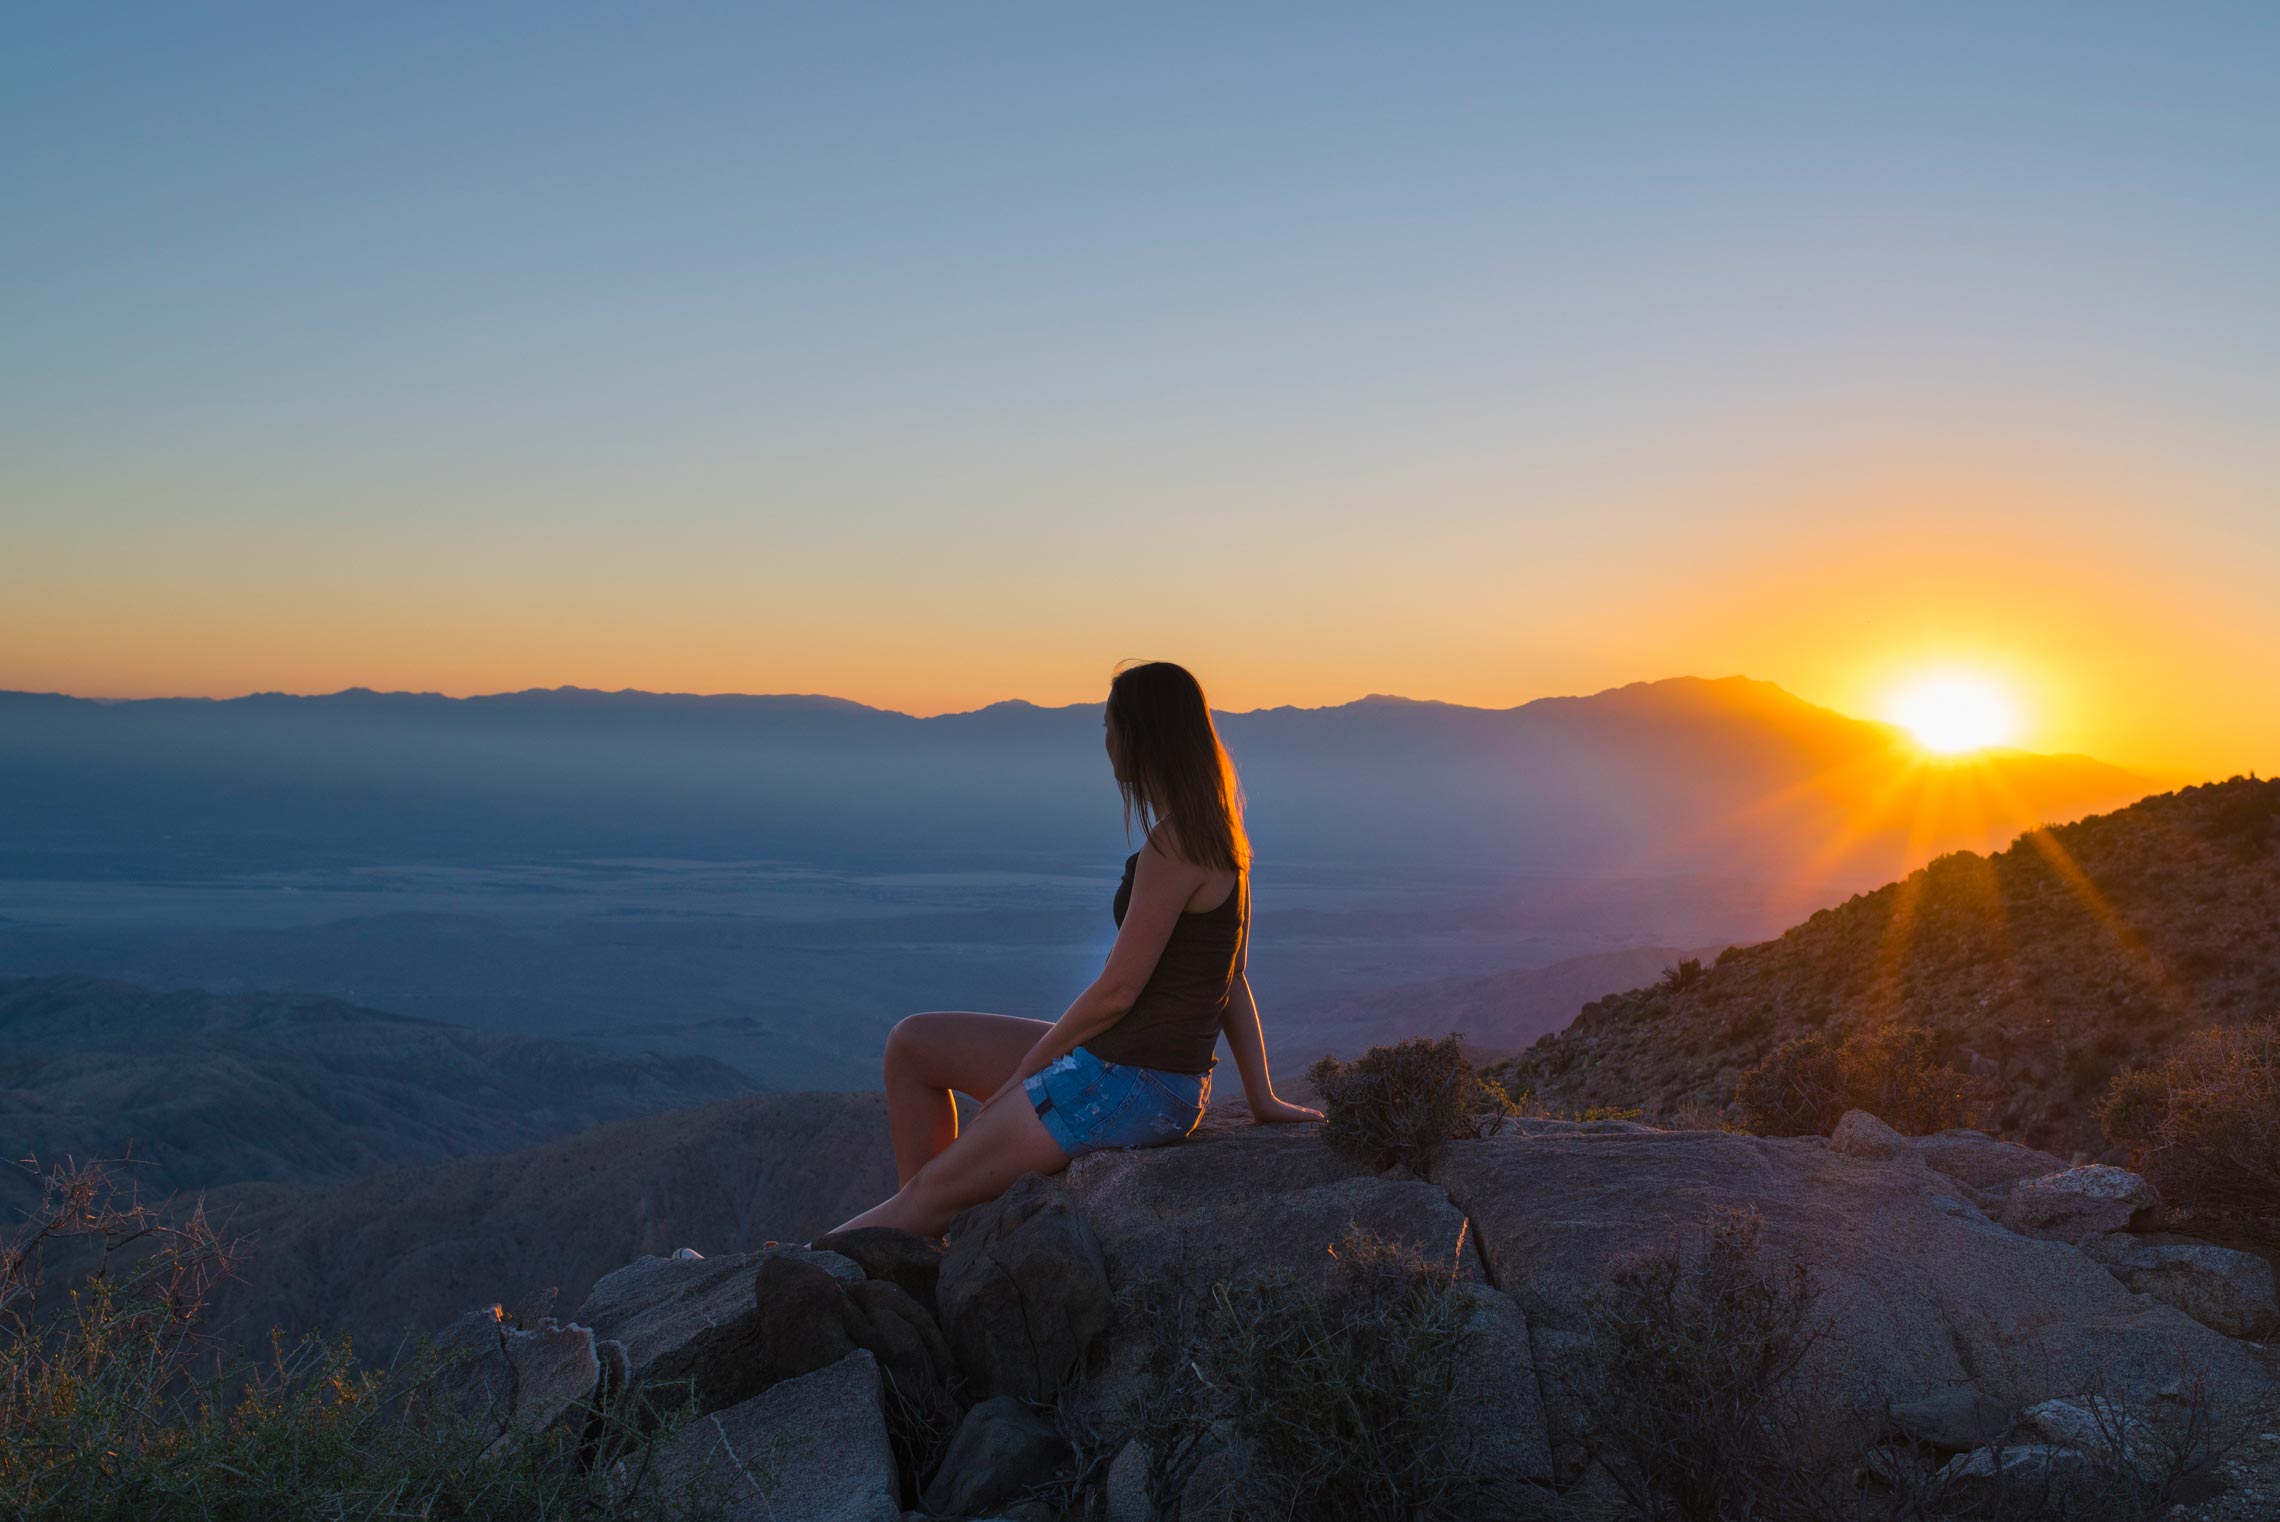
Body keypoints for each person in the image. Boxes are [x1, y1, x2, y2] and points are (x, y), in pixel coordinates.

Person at [824, 660, 1321, 1240]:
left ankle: (807, 1261)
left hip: (1129, 1084)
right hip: (1129, 1069)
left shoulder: (1176, 846)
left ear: (1142, 735)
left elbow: (1116, 993)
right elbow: (1229, 978)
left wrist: (1026, 1076)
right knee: (912, 1045)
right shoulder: (1215, 834)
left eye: (1110, 726)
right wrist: (1260, 1098)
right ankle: (922, 1240)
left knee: (930, 1194)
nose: (1106, 742)